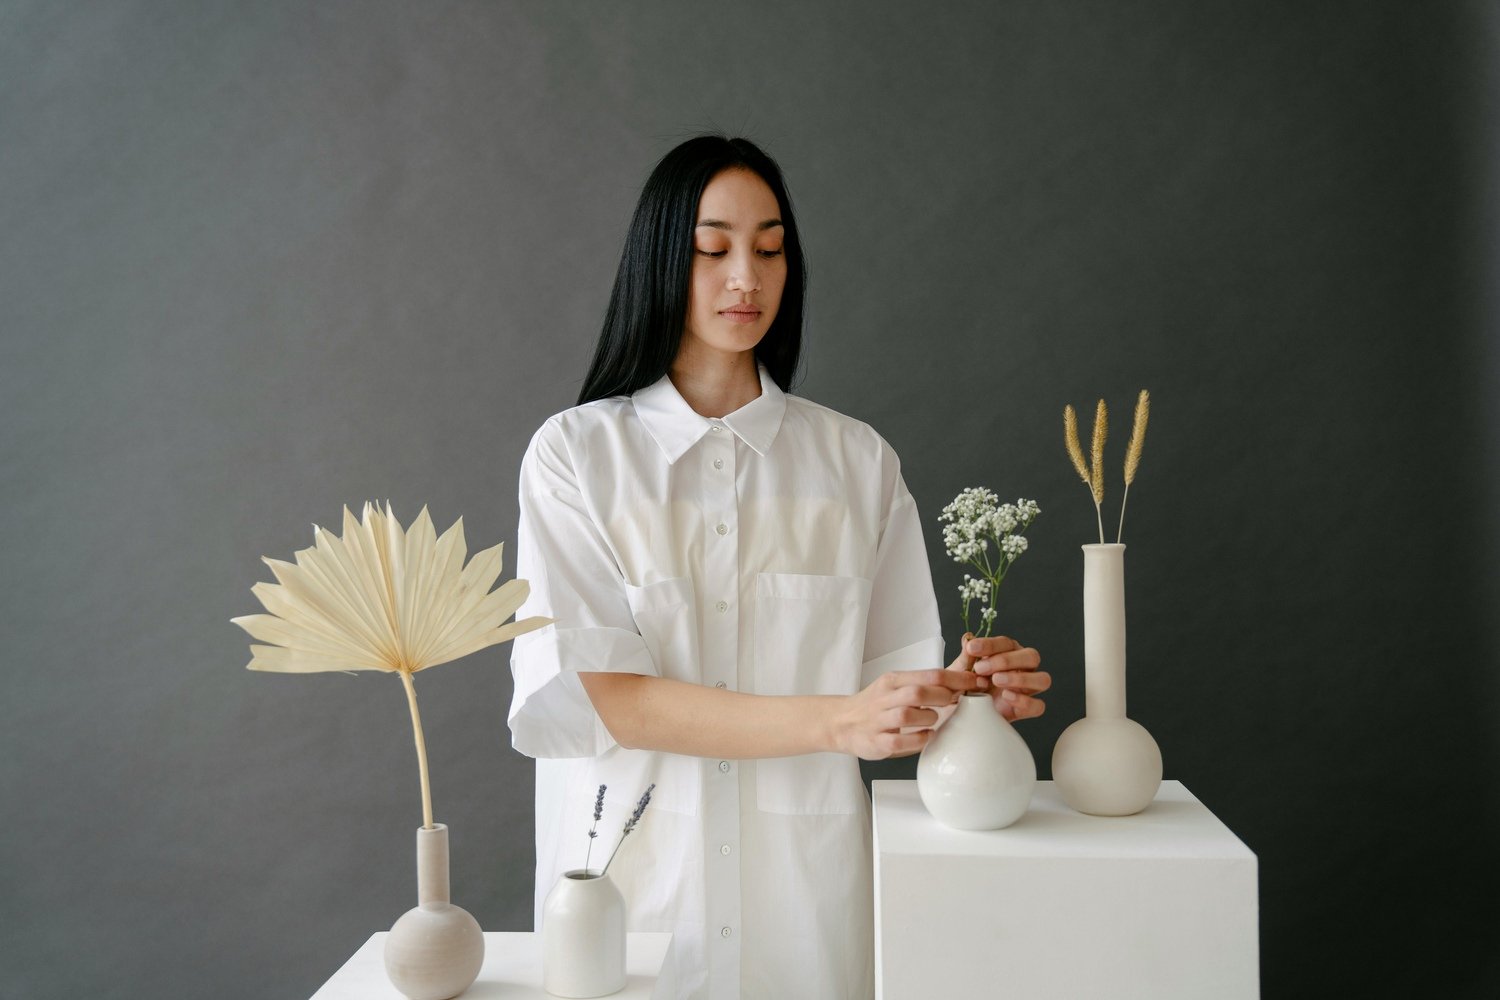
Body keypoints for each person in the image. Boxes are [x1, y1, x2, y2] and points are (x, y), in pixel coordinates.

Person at [506, 134, 1049, 1000]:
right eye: (713, 249)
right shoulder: (577, 457)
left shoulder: (857, 463)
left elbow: (884, 701)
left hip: (804, 919)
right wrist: (839, 722)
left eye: (768, 248)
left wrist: (963, 694)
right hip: (636, 910)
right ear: (661, 260)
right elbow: (615, 698)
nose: (745, 279)